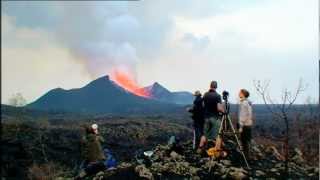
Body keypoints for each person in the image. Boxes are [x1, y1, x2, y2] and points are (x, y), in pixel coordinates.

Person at [199, 81, 224, 150]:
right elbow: (219, 108)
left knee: (205, 134)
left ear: (210, 86)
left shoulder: (205, 94)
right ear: (216, 87)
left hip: (206, 117)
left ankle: (200, 148)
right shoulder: (218, 96)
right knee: (218, 134)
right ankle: (217, 150)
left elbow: (203, 105)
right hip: (215, 117)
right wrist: (223, 111)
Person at [238, 89, 253, 159]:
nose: (239, 94)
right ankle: (248, 157)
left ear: (243, 94)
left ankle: (246, 158)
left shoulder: (244, 103)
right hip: (248, 124)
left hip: (245, 125)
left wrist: (241, 126)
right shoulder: (248, 102)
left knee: (244, 142)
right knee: (247, 141)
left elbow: (243, 115)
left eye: (240, 93)